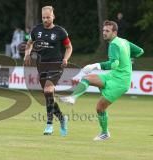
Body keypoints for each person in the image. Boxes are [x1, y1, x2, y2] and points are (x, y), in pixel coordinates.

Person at [60, 20, 144, 141]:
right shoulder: (123, 41)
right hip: (113, 75)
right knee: (87, 78)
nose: (104, 33)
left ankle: (105, 133)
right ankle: (73, 98)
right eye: (103, 30)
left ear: (114, 32)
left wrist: (95, 65)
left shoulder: (114, 44)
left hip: (120, 82)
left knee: (100, 108)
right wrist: (127, 58)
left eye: (107, 31)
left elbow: (114, 64)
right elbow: (140, 51)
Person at [24, 6, 73, 136]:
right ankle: (62, 119)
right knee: (48, 95)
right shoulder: (36, 29)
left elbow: (69, 47)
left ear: (53, 17)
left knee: (48, 90)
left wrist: (66, 59)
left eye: (48, 17)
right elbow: (29, 43)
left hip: (56, 64)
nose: (45, 20)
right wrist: (27, 54)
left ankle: (49, 125)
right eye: (43, 17)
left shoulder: (60, 31)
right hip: (41, 65)